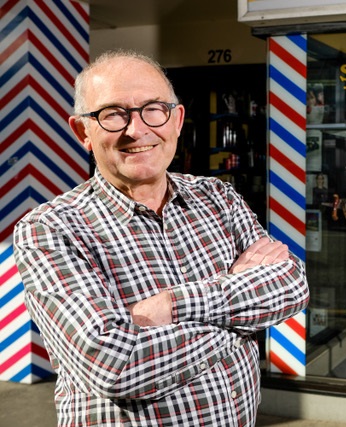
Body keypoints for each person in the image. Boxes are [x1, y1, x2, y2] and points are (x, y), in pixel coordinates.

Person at [13, 50, 309, 427]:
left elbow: (291, 286)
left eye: (154, 109)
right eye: (113, 114)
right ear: (82, 131)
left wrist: (170, 305)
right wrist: (241, 311)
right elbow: (114, 365)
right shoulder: (51, 229)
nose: (136, 130)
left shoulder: (218, 197)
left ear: (178, 119)